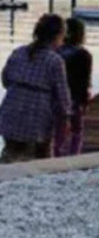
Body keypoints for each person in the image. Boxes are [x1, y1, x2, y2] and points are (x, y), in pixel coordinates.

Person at [0, 14, 71, 163]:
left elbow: (5, 79)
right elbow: (63, 97)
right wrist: (66, 120)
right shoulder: (55, 61)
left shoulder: (18, 52)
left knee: (11, 151)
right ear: (58, 36)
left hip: (11, 107)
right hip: (37, 114)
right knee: (40, 156)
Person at [54, 18, 92, 157]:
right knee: (77, 130)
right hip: (75, 98)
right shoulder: (83, 54)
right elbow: (84, 81)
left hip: (55, 98)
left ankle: (56, 154)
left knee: (58, 130)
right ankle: (74, 154)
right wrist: (85, 102)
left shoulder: (55, 52)